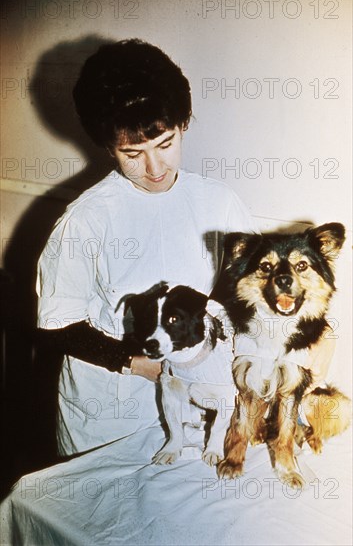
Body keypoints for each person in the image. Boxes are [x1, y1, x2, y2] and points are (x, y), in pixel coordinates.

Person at [36, 38, 334, 458]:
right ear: (108, 147)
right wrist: (144, 364)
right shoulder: (86, 221)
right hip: (113, 415)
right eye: (132, 153)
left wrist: (321, 335)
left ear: (183, 125)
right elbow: (58, 327)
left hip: (200, 402)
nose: (154, 168)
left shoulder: (219, 203)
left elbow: (256, 294)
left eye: (165, 144)